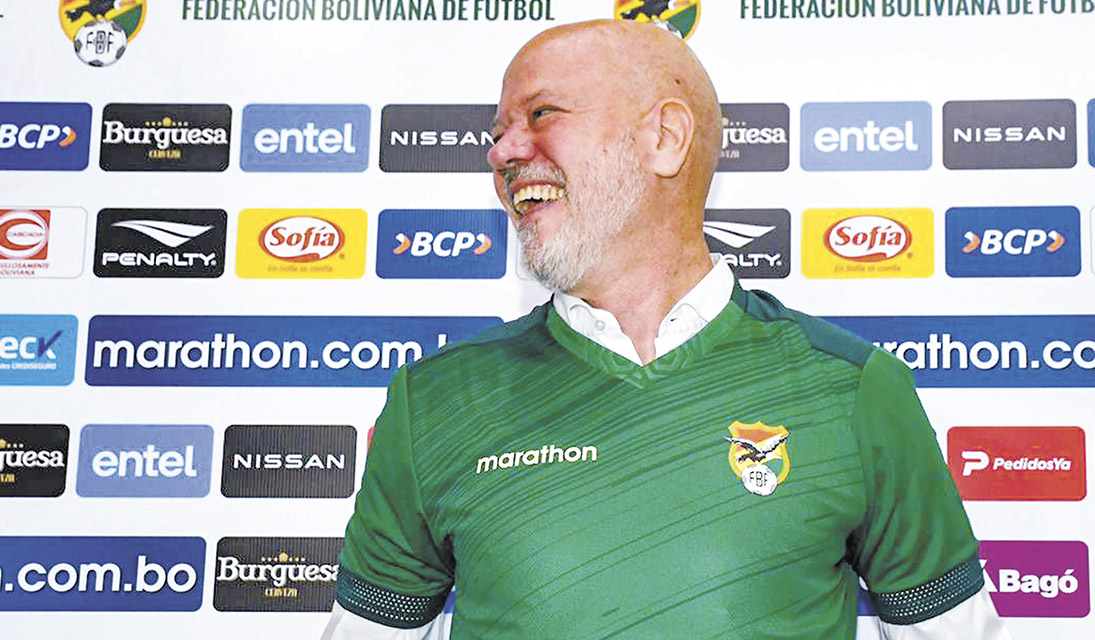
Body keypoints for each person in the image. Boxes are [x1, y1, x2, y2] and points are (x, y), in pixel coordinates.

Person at [322, 19, 1010, 640]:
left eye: (540, 114)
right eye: (498, 131)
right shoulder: (434, 400)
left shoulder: (855, 388)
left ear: (664, 138)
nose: (503, 151)